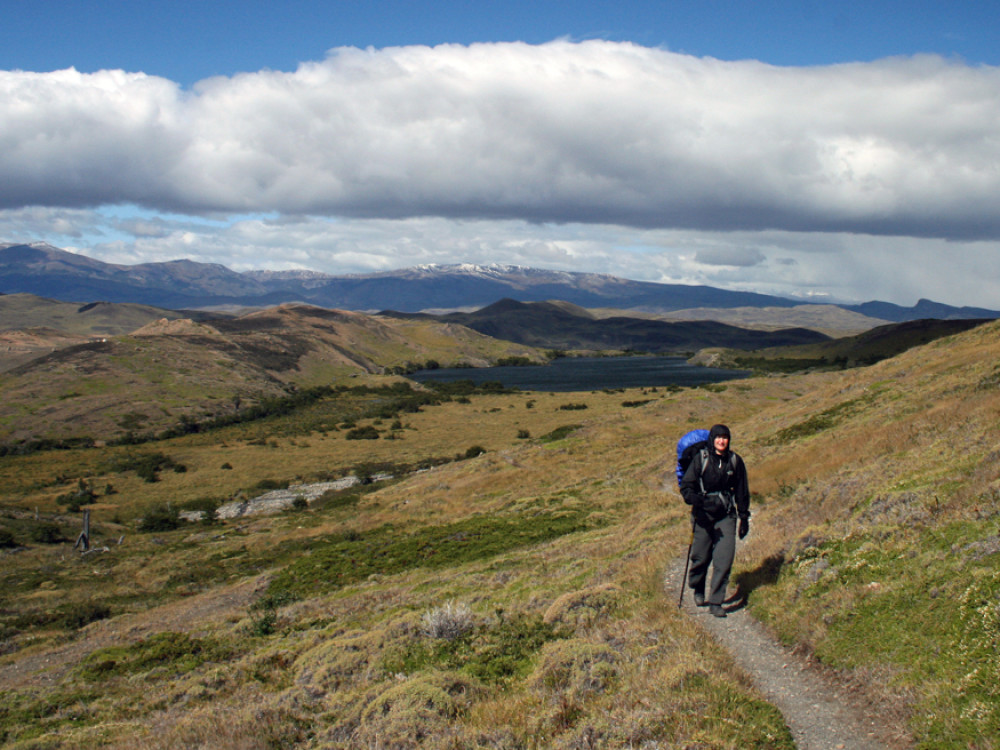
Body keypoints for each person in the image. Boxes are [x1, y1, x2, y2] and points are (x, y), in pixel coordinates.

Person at [679, 424, 750, 618]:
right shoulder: (700, 460)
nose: (721, 440)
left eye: (725, 437)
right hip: (702, 516)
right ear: (712, 439)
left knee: (724, 560)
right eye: (718, 437)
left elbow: (742, 491)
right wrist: (698, 501)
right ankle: (698, 586)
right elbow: (686, 487)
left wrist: (744, 517)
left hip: (726, 515)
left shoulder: (735, 461)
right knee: (700, 558)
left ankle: (716, 601)